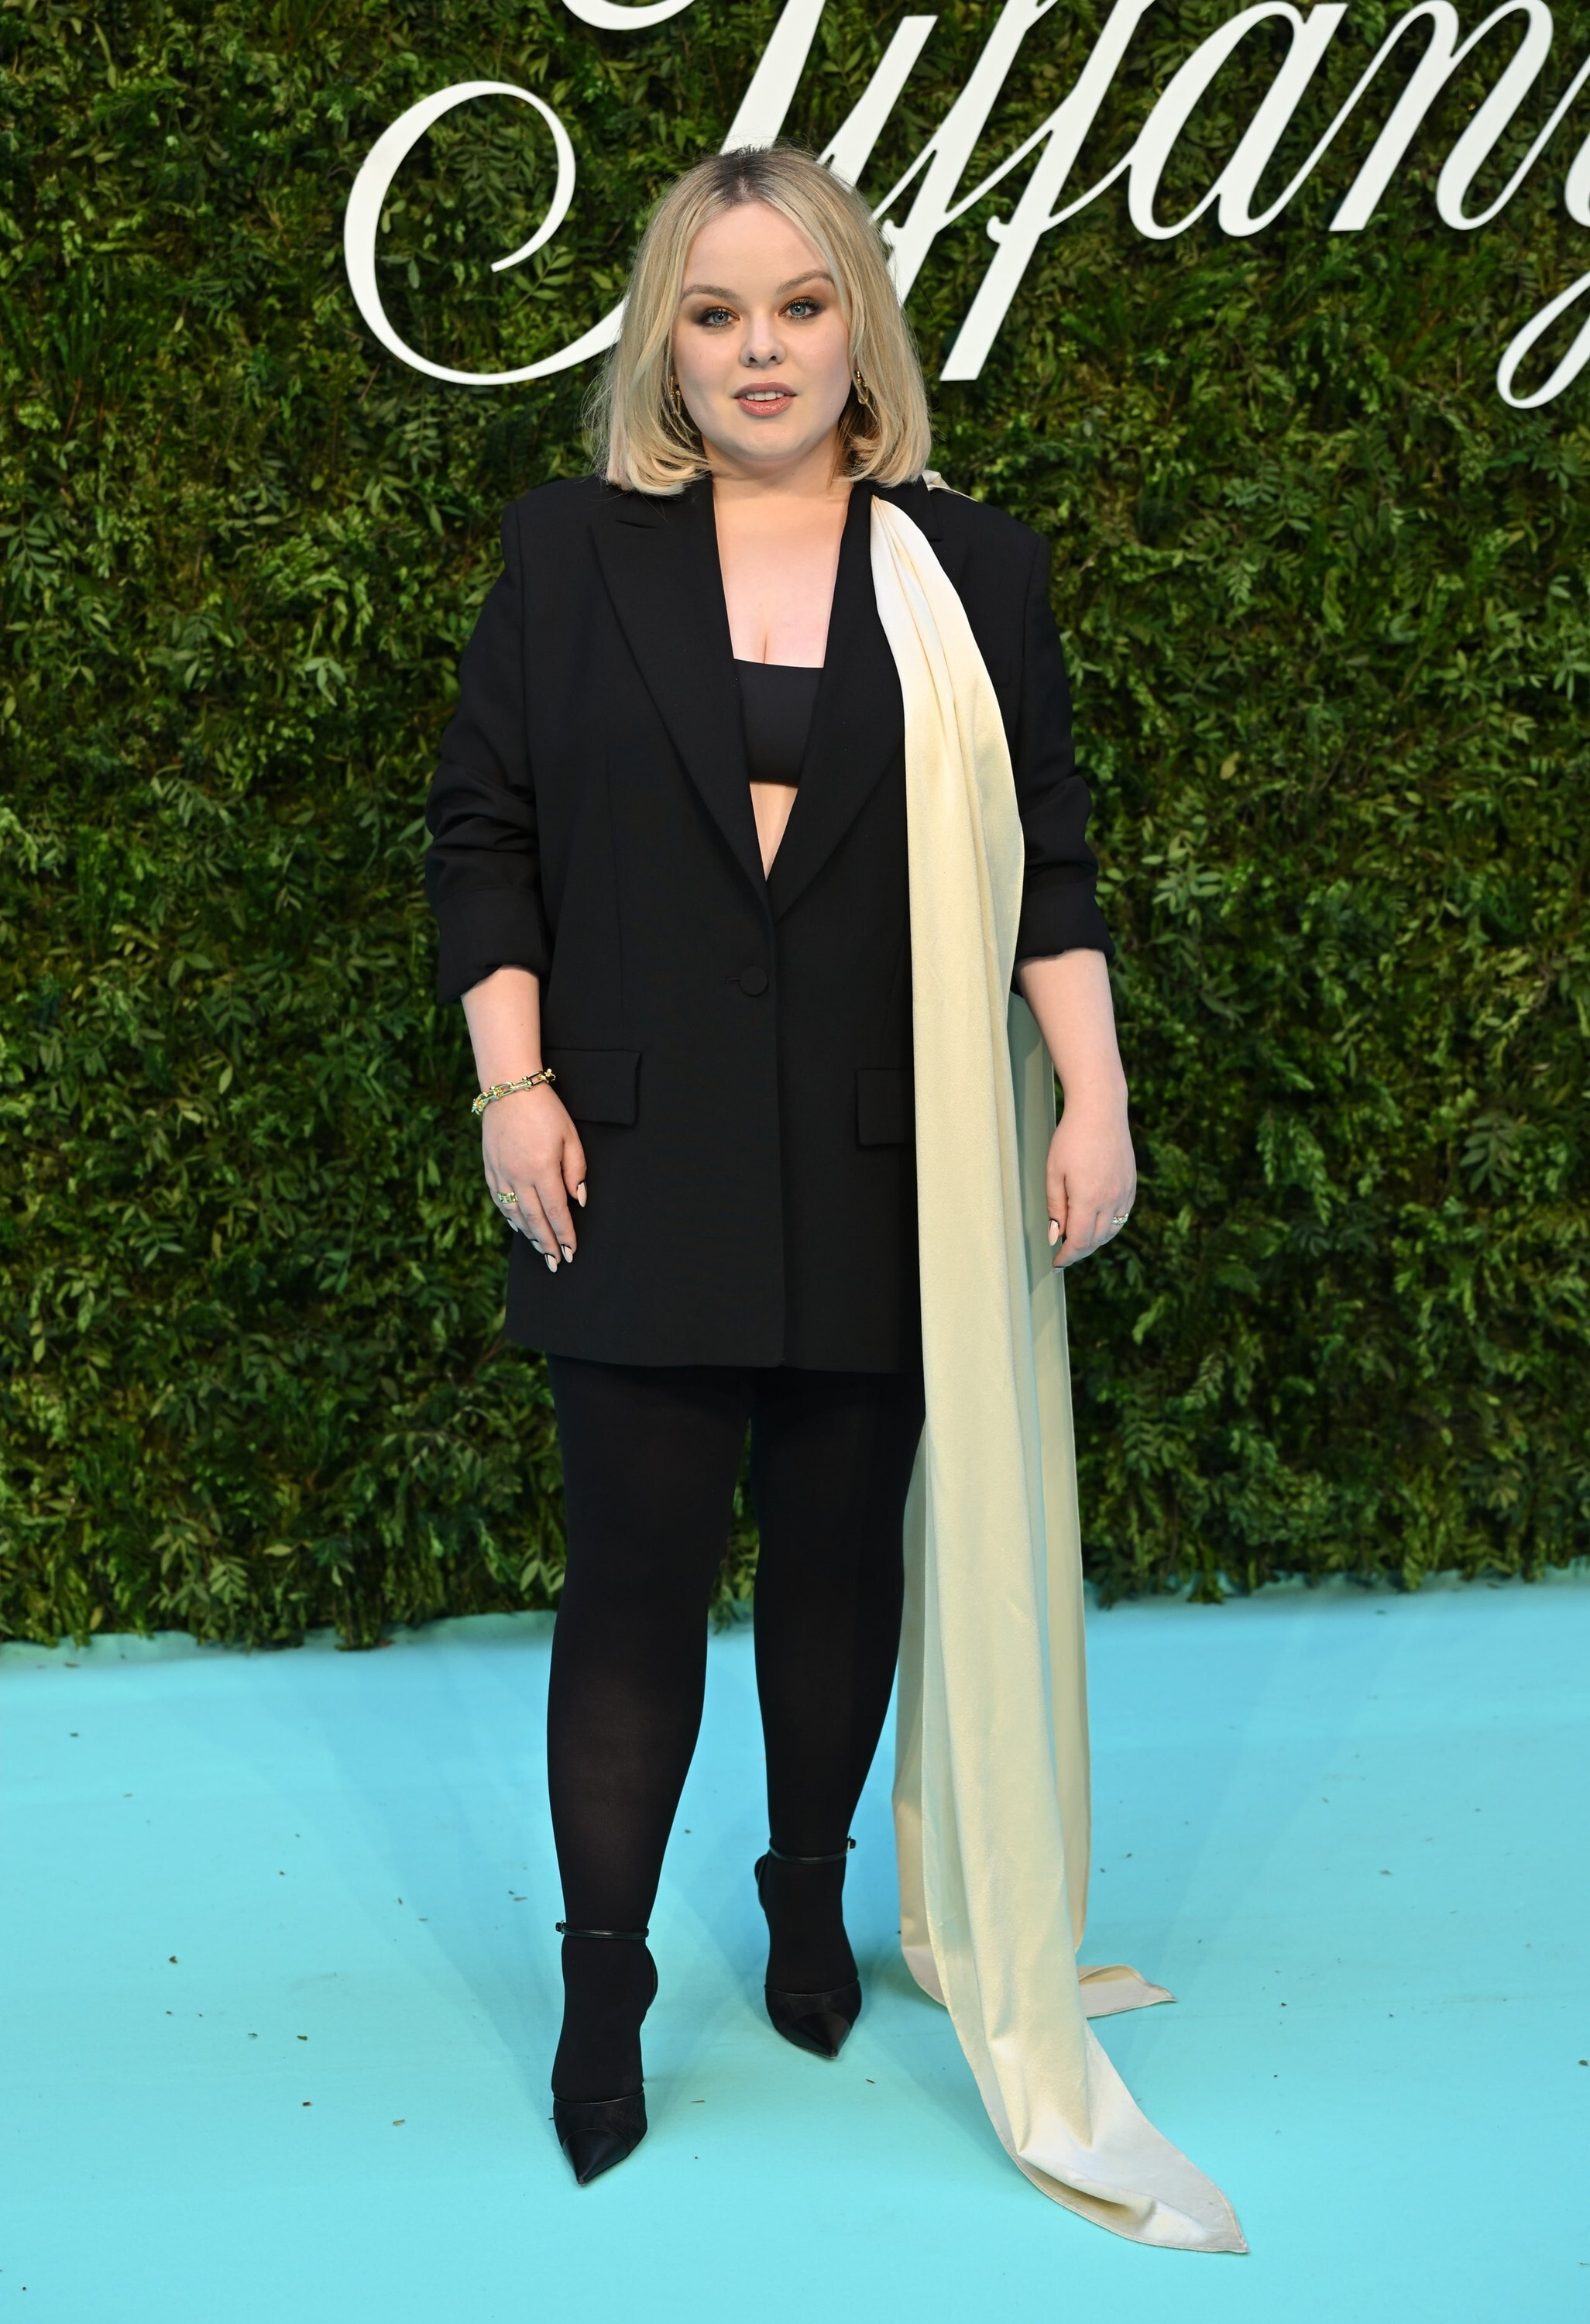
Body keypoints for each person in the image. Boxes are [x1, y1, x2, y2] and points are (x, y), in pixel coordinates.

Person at [424, 144, 1135, 2192]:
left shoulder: (972, 568)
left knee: (838, 1569)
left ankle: (809, 1899)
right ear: (666, 340)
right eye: (717, 311)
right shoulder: (568, 552)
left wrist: (1094, 1097)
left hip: (887, 1162)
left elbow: (1049, 858)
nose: (761, 350)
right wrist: (511, 1083)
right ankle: (604, 1989)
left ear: (859, 330)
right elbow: (487, 834)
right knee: (631, 1585)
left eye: (801, 307)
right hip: (625, 1161)